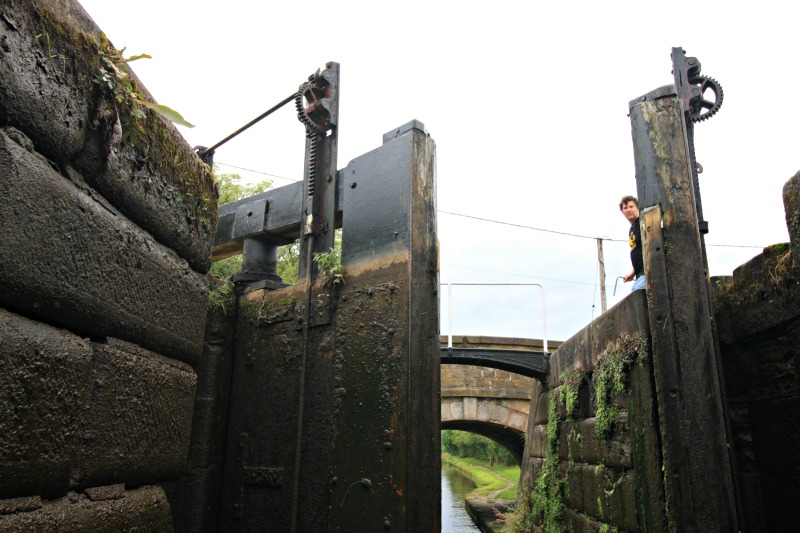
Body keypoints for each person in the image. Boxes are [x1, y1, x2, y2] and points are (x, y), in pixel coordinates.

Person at [620, 195, 645, 291]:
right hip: (639, 274)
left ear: (637, 208)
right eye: (625, 208)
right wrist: (633, 273)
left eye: (631, 207)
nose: (628, 210)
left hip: (647, 272)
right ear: (622, 212)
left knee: (636, 297)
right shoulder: (632, 229)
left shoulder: (642, 222)